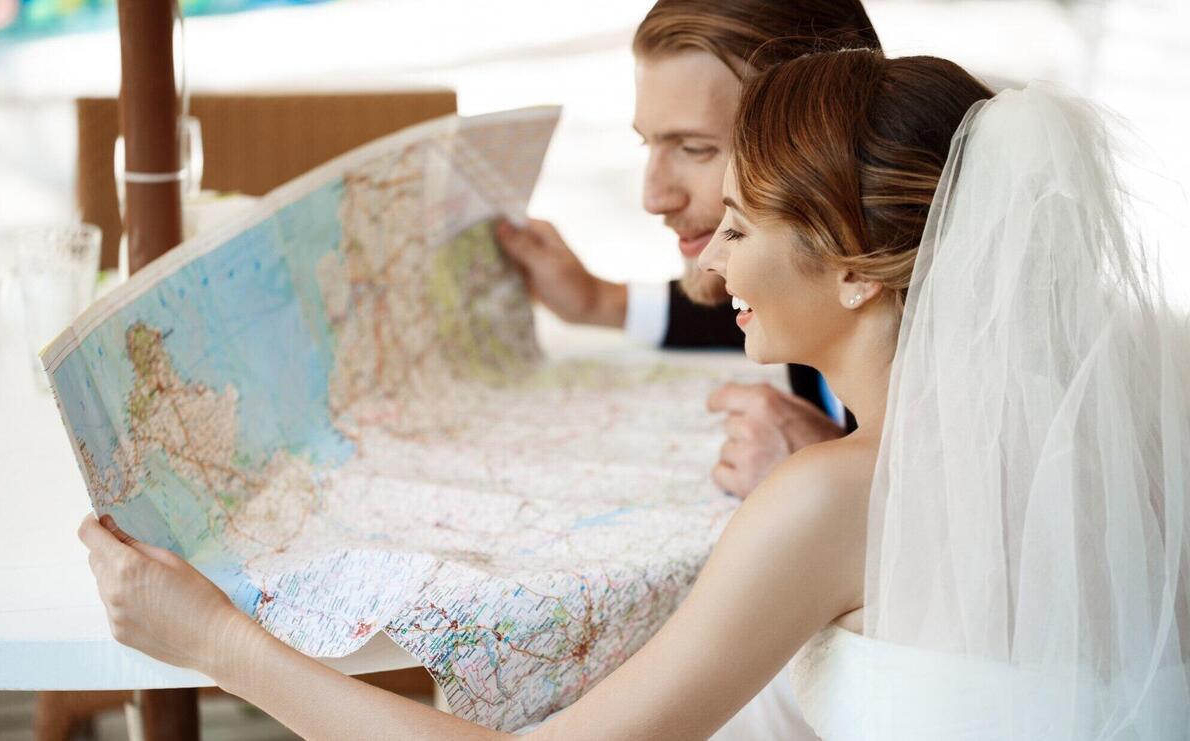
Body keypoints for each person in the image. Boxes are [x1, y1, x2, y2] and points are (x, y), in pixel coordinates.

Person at [79, 49, 1190, 739]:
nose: (711, 270)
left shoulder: (830, 501)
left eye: (743, 228)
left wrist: (220, 646)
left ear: (859, 269)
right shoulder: (1110, 422)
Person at [496, 0, 879, 499]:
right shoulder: (819, 277)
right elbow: (757, 298)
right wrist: (597, 301)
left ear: (817, 144)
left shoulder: (944, 357)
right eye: (648, 145)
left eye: (694, 149)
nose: (653, 197)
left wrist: (835, 481)